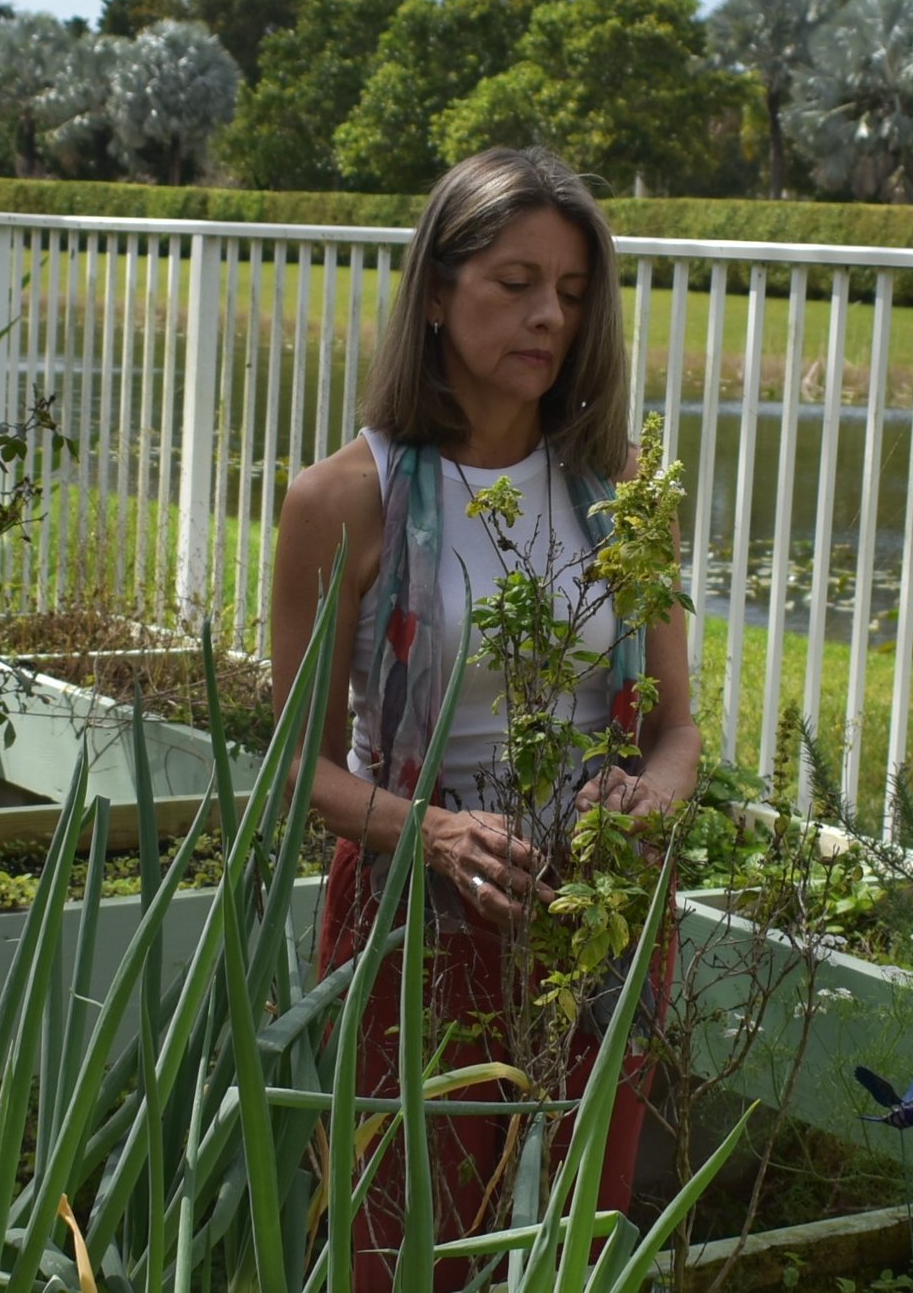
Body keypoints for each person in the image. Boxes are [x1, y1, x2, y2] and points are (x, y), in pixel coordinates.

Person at [270, 146, 701, 1290]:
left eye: (569, 290)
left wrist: (646, 795)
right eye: (515, 282)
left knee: (568, 1247)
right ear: (437, 289)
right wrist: (436, 832)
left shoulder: (619, 489)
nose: (548, 315)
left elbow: (679, 732)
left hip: (596, 928)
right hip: (414, 933)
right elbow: (293, 773)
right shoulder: (342, 502)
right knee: (405, 1247)